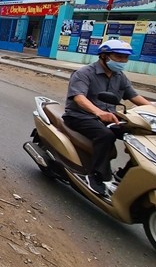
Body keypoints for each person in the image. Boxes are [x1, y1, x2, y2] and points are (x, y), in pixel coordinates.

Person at [62, 39, 150, 197]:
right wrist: (98, 112)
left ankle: (124, 174)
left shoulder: (119, 76)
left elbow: (134, 96)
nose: (122, 61)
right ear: (104, 56)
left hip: (108, 117)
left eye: (125, 58)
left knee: (139, 133)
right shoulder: (84, 73)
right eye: (118, 57)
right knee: (105, 135)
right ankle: (96, 177)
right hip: (79, 116)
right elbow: (79, 97)